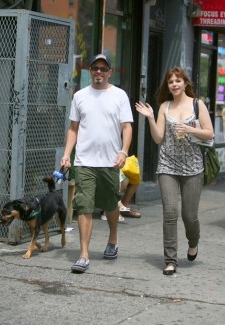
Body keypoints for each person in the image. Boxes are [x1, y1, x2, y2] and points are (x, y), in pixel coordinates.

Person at [135, 66, 213, 275]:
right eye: (171, 82)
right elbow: (158, 138)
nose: (175, 84)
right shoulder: (164, 106)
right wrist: (151, 117)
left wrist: (189, 129)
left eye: (178, 81)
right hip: (168, 165)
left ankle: (193, 241)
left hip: (193, 167)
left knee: (189, 215)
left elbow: (209, 133)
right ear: (168, 86)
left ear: (185, 83)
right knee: (170, 213)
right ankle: (170, 260)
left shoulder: (197, 105)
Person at [60, 53, 133, 273]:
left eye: (103, 68)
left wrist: (123, 151)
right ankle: (83, 255)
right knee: (84, 206)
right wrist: (66, 155)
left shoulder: (119, 95)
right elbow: (73, 128)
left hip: (110, 162)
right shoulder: (80, 96)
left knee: (110, 205)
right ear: (90, 70)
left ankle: (112, 239)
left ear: (109, 72)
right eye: (95, 68)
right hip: (84, 162)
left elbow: (127, 127)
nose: (99, 72)